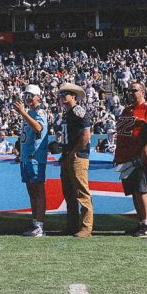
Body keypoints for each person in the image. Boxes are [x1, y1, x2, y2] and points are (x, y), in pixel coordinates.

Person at [112, 81, 147, 238]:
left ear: (142, 92)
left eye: (134, 90)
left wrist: (146, 149)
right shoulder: (127, 110)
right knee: (133, 192)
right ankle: (141, 223)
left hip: (139, 157)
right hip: (126, 156)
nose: (131, 93)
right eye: (129, 91)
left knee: (141, 189)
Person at [56, 82, 95, 238]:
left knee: (81, 191)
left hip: (77, 156)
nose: (61, 97)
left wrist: (75, 152)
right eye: (60, 95)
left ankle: (86, 226)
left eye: (65, 94)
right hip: (67, 155)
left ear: (73, 96)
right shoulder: (67, 113)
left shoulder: (78, 111)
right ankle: (72, 225)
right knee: (69, 193)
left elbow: (86, 134)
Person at [13, 85, 50, 237]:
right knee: (31, 192)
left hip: (35, 158)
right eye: (26, 95)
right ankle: (35, 222)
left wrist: (22, 113)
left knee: (38, 192)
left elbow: (38, 128)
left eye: (31, 95)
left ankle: (40, 225)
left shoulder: (40, 112)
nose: (28, 98)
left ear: (38, 97)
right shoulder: (29, 112)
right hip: (26, 158)